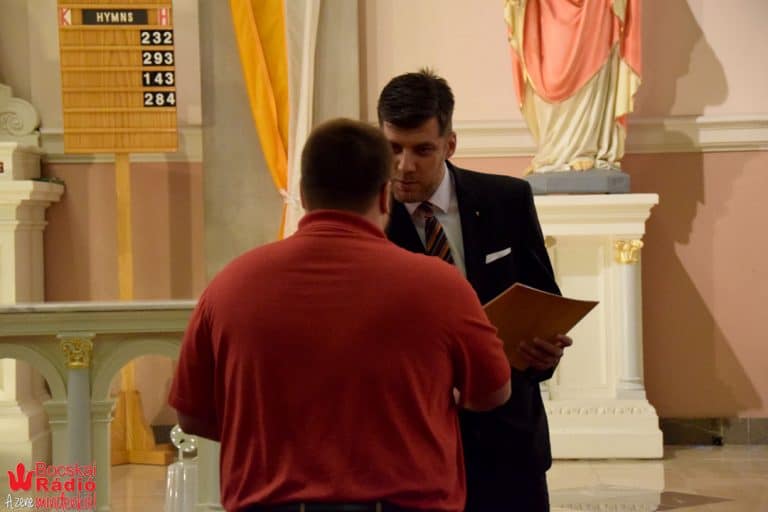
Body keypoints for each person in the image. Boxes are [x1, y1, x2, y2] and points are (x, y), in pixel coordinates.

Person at [168, 118, 513, 512]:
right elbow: (493, 391)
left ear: (303, 193)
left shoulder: (230, 286)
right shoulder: (440, 285)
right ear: (384, 196)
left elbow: (192, 414)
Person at [379, 70, 572, 511]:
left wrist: (545, 354)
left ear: (449, 144)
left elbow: (543, 299)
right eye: (393, 148)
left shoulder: (507, 199)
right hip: (413, 447)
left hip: (509, 441)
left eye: (422, 149)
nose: (404, 166)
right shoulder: (370, 218)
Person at [504, 0, 642, 174]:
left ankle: (585, 149)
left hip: (596, 9)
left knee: (592, 59)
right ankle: (552, 151)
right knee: (551, 67)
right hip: (546, 7)